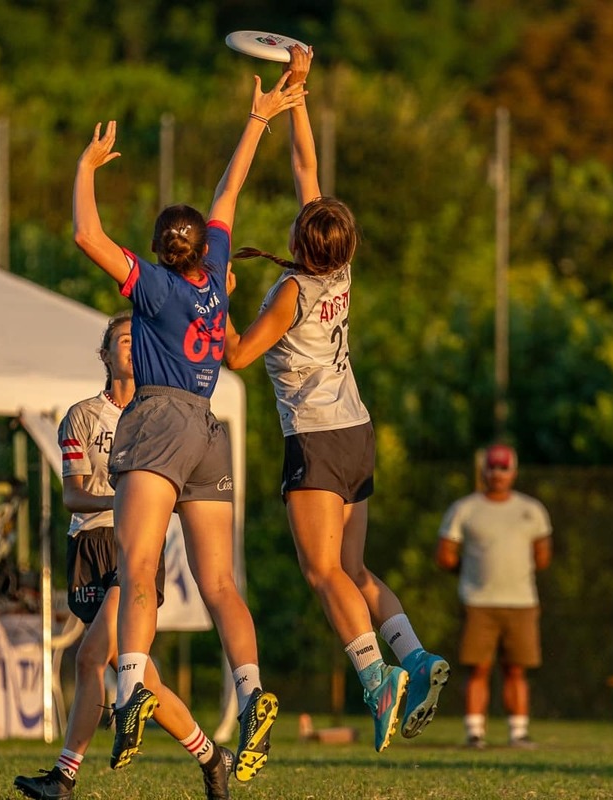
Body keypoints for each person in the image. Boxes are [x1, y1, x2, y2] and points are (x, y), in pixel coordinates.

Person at [72, 70, 305, 781]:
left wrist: (85, 168)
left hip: (161, 418)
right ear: (203, 248)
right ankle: (252, 689)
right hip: (210, 428)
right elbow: (228, 194)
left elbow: (87, 233)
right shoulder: (215, 269)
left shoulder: (157, 285)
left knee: (138, 568)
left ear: (156, 251)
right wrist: (258, 119)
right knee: (220, 583)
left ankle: (130, 688)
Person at [223, 45, 450, 754]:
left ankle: (378, 680)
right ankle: (412, 652)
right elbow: (306, 171)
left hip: (317, 439)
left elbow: (234, 354)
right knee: (352, 570)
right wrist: (301, 91)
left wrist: (214, 302)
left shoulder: (292, 291)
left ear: (300, 239)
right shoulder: (340, 268)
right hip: (357, 430)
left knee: (322, 572)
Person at [15, 312, 234, 800]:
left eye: (140, 341)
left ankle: (64, 778)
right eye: (123, 340)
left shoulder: (162, 416)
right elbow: (73, 496)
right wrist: (124, 496)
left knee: (91, 655)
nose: (133, 348)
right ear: (105, 353)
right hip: (89, 547)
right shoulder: (83, 416)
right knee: (142, 677)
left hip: (135, 547)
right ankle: (211, 756)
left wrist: (143, 505)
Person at [434, 443, 552, 749]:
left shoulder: (532, 509)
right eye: (492, 467)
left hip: (522, 603)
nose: (497, 474)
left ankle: (519, 732)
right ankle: (475, 732)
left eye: (503, 468)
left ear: (513, 471)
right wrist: (470, 572)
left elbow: (542, 556)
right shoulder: (465, 508)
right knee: (478, 668)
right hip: (478, 603)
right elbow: (445, 554)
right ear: (483, 470)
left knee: (517, 669)